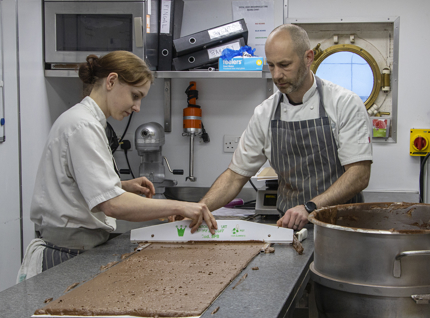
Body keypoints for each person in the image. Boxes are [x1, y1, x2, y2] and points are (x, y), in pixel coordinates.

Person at [17, 51, 216, 282]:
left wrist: (121, 185)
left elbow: (73, 182)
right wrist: (180, 207)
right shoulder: (83, 126)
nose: (137, 107)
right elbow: (112, 205)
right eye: (135, 95)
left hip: (76, 248)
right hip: (67, 254)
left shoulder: (85, 121)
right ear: (111, 81)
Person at [197, 24, 372, 231]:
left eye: (284, 65)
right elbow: (235, 177)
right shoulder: (265, 113)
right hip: (289, 229)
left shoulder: (344, 103)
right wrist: (198, 208)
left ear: (308, 58)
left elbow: (359, 174)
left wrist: (310, 207)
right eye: (271, 66)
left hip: (342, 228)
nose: (277, 75)